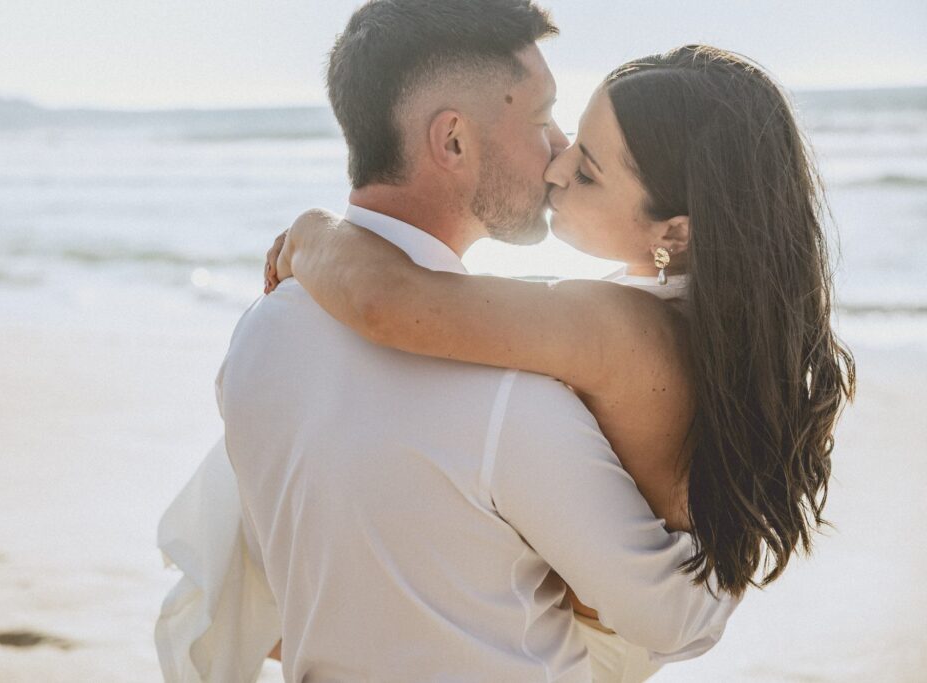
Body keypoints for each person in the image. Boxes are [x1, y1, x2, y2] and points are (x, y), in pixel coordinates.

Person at [157, 3, 742, 682]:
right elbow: (674, 620)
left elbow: (276, 592)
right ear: (454, 142)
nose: (558, 151)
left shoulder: (261, 334)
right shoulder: (514, 393)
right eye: (540, 117)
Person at [265, 40, 857, 674]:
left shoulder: (617, 326)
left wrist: (310, 232)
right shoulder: (713, 323)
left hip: (568, 647)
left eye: (589, 172)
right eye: (574, 137)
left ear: (675, 232)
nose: (555, 166)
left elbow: (389, 303)